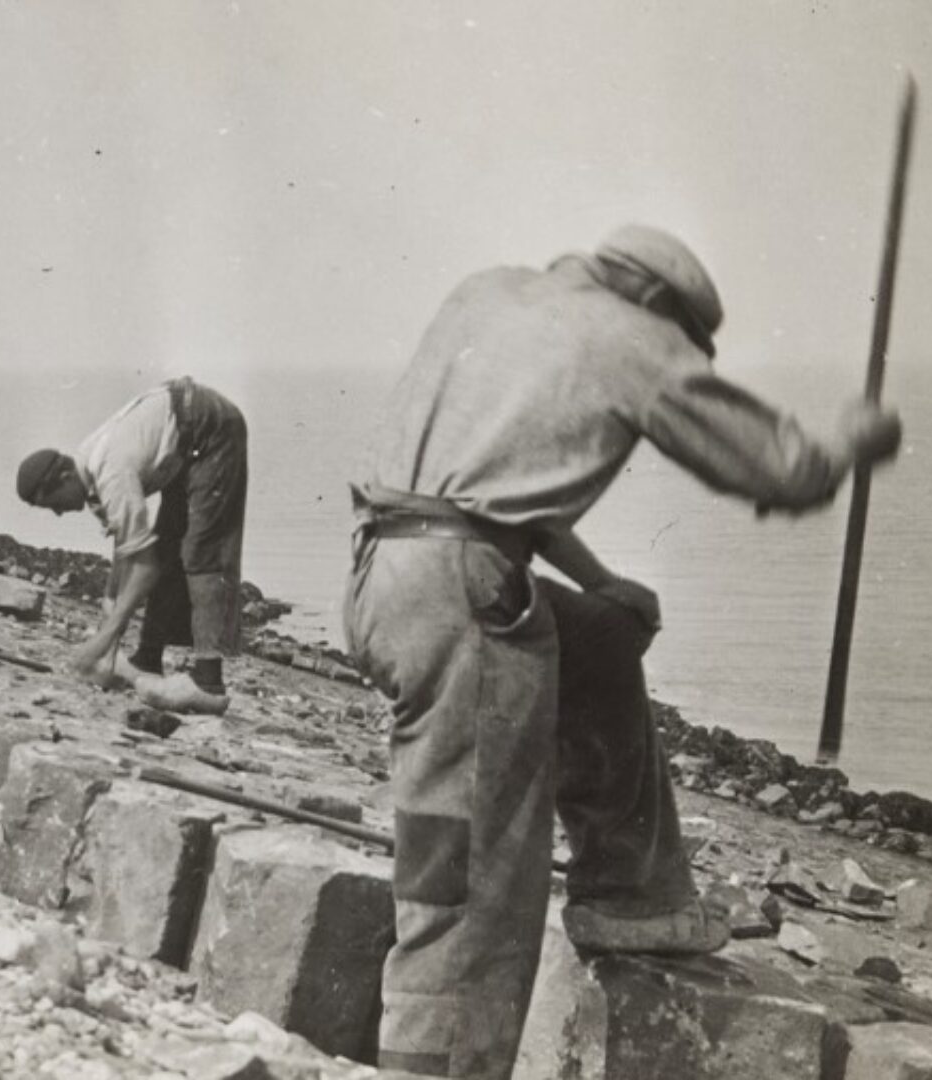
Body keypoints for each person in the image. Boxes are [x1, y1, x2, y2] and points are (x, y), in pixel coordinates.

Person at [341, 224, 903, 1078]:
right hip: (458, 601)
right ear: (656, 308)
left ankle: (630, 897)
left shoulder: (491, 291)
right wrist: (851, 439)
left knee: (600, 640)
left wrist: (602, 583)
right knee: (474, 884)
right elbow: (780, 467)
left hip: (384, 575)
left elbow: (486, 492)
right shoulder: (632, 339)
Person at [16, 377, 248, 714]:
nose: (57, 513)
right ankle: (147, 661)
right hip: (184, 432)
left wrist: (102, 641)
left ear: (65, 478)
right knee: (166, 547)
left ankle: (208, 684)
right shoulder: (90, 475)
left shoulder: (110, 474)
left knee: (201, 551)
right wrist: (108, 627)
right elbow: (127, 550)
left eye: (51, 503)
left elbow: (145, 569)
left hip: (212, 427)